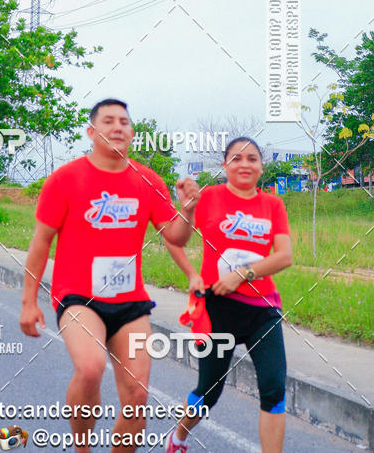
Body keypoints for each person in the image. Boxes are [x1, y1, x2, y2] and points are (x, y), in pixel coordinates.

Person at [19, 99, 200, 453]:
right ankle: (82, 448)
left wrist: (188, 211)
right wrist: (28, 302)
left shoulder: (147, 179)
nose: (118, 127)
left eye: (124, 122)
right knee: (89, 369)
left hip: (130, 301)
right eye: (109, 121)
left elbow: (176, 237)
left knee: (137, 396)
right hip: (77, 296)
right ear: (92, 131)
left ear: (133, 132)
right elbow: (40, 244)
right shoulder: (65, 179)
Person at [164, 137, 293, 453]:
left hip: (262, 309)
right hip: (216, 309)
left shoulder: (273, 205)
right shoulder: (209, 197)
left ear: (261, 166)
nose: (245, 164)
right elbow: (173, 238)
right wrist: (192, 273)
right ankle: (179, 436)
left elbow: (284, 256)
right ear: (225, 166)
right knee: (209, 392)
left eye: (252, 158)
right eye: (236, 158)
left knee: (274, 389)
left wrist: (242, 274)